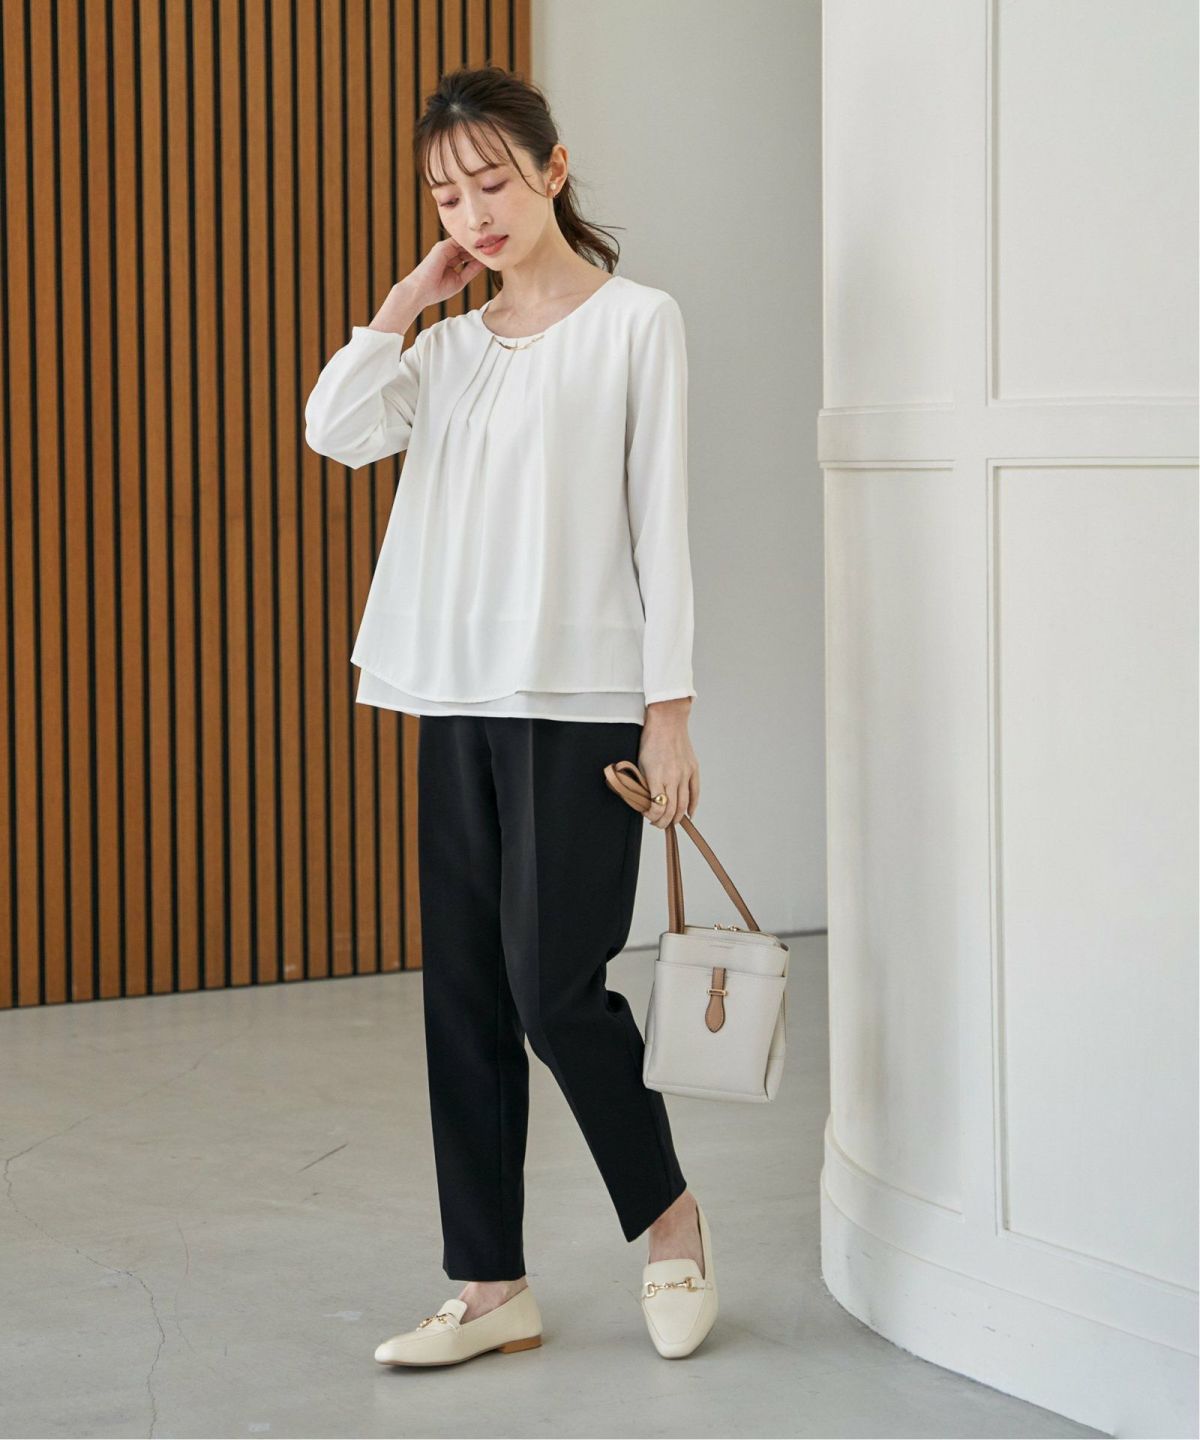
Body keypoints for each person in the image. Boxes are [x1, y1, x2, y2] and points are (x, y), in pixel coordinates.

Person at [304, 64, 717, 1365]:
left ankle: (671, 1221)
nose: (473, 214)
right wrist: (405, 302)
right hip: (455, 691)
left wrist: (668, 712)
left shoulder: (638, 322)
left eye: (492, 182)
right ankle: (491, 1288)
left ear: (553, 169)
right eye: (447, 196)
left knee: (556, 990)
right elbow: (334, 429)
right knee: (468, 996)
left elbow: (662, 524)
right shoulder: (445, 351)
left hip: (583, 702)